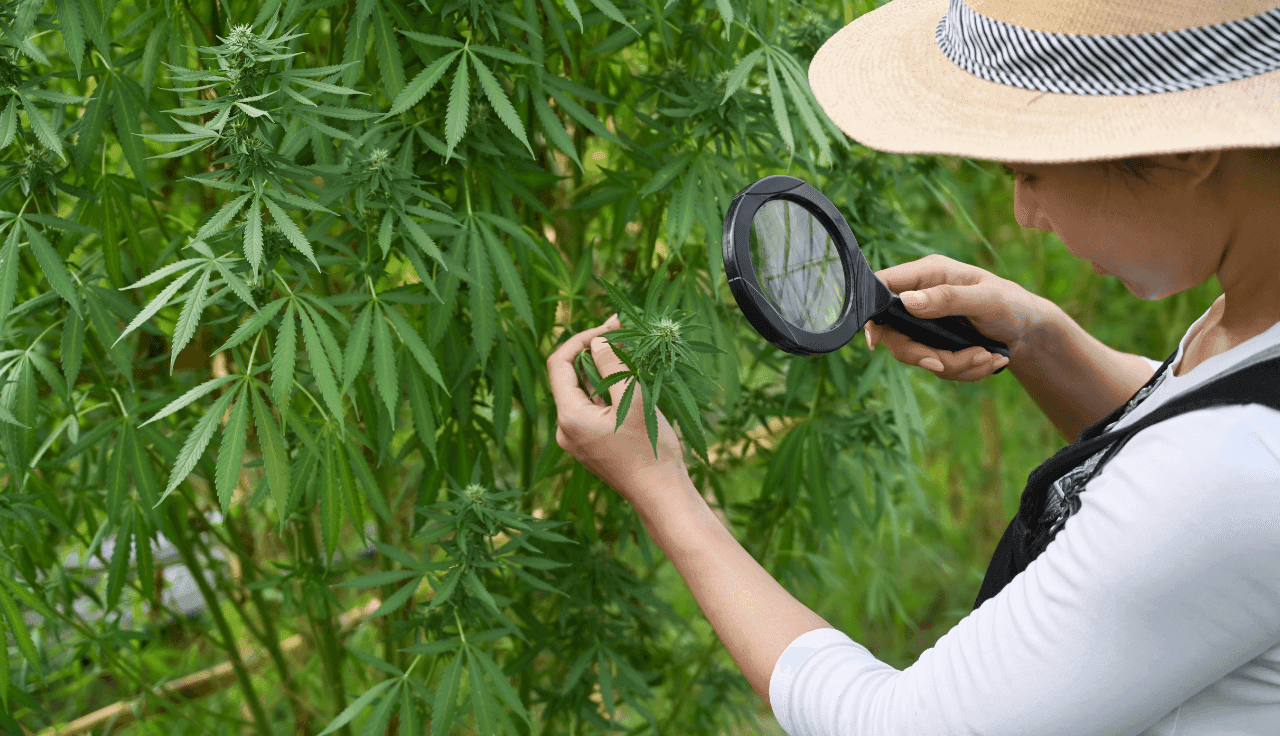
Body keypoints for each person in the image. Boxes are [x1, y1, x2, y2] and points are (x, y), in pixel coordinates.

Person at [545, 0, 1280, 733]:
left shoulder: (1228, 475)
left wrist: (660, 485)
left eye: (1028, 172)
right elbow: (1184, 426)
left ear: (1188, 151)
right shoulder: (1252, 321)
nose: (1025, 214)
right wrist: (1040, 339)